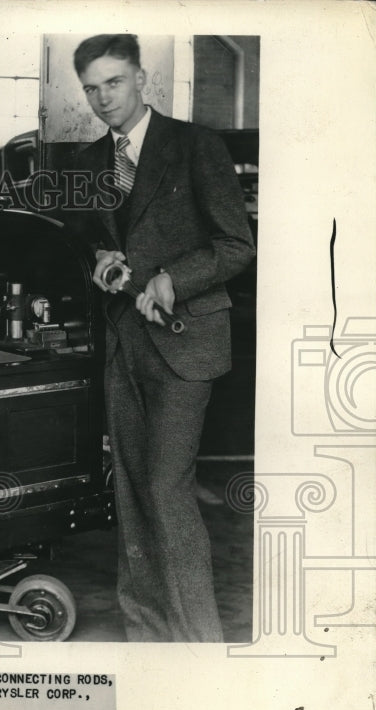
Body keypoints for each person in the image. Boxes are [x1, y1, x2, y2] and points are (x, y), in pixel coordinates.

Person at [67, 34, 255, 641]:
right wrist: (99, 260)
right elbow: (90, 243)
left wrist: (175, 277)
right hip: (126, 343)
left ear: (142, 80)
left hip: (185, 343)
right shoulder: (90, 164)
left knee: (164, 489)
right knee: (131, 488)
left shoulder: (196, 146)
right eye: (91, 88)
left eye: (113, 83)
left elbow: (235, 245)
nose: (102, 98)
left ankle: (201, 645)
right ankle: (147, 636)